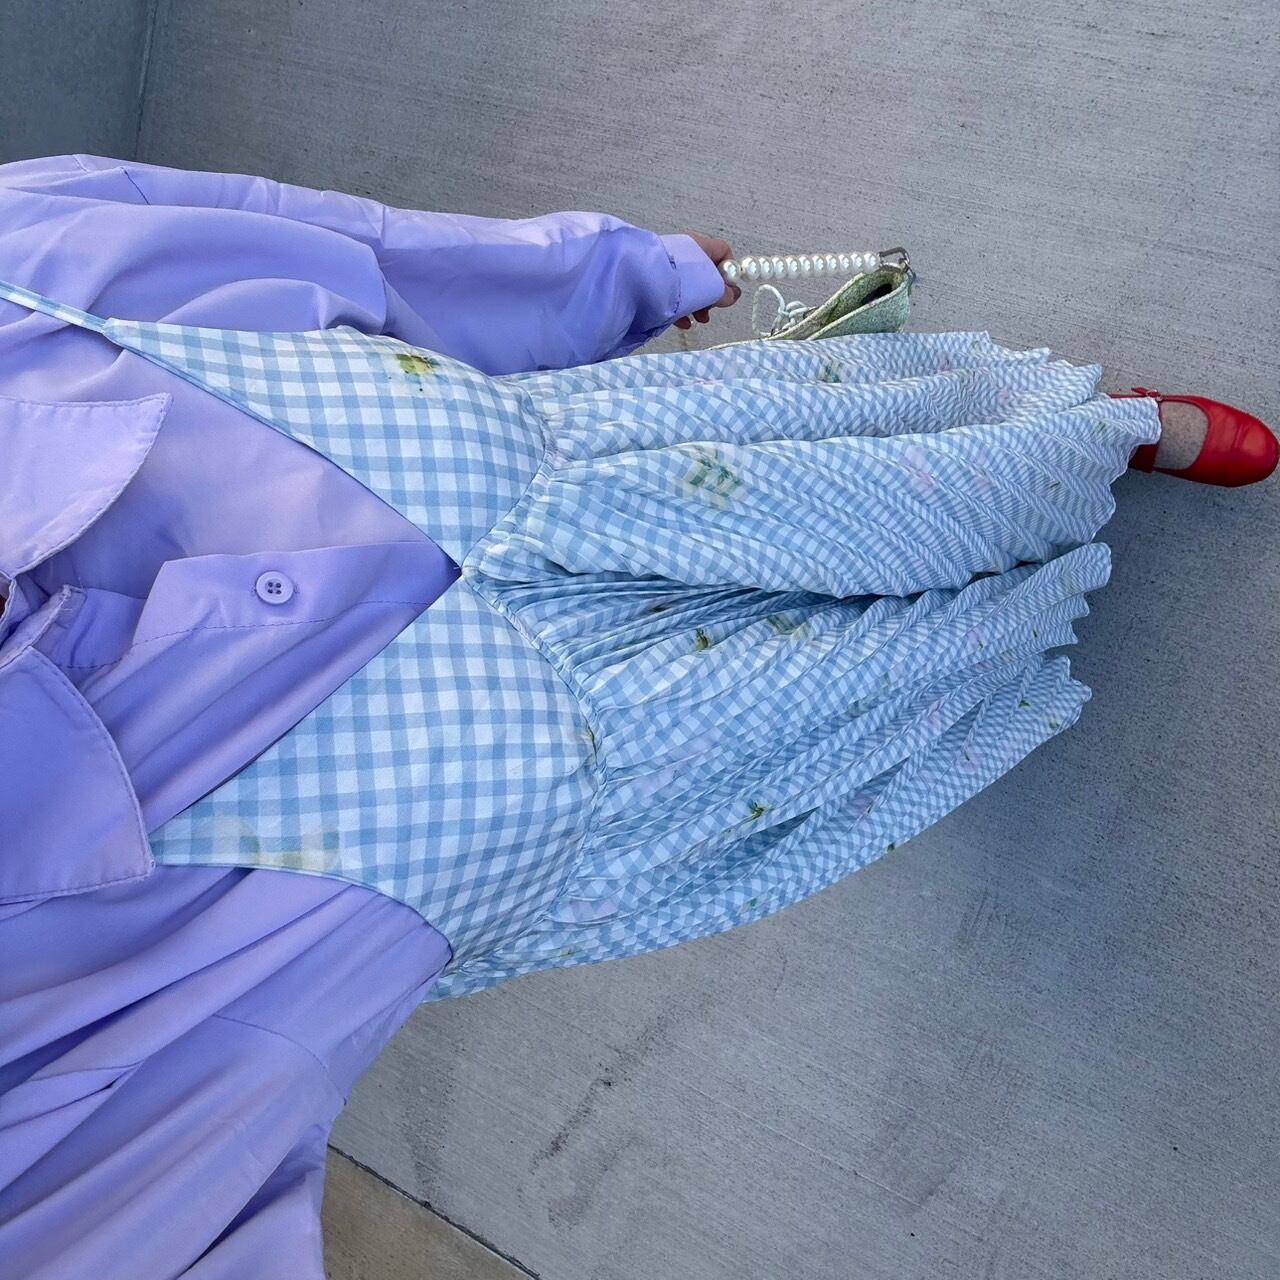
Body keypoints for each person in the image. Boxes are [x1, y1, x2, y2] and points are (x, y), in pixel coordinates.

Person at [0, 154, 1273, 1280]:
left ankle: (1080, 432)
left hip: (650, 468)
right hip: (627, 745)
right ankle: (1020, 581)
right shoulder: (55, 1002)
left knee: (907, 475)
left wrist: (614, 276)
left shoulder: (24, 299)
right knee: (888, 664)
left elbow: (333, 248)